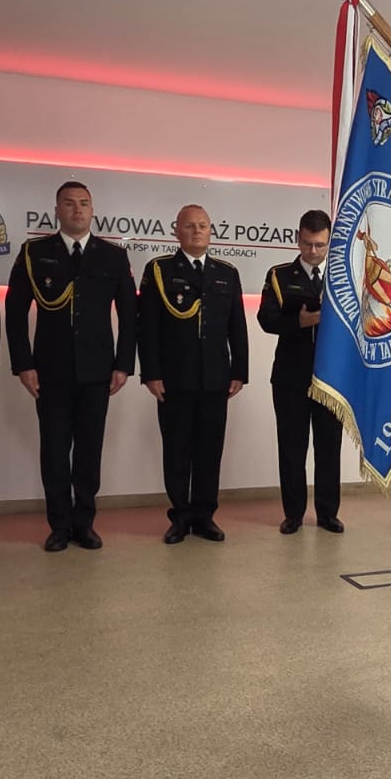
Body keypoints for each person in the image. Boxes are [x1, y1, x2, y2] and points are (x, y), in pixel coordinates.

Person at [5, 181, 136, 551]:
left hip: (98, 370)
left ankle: (85, 523)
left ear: (92, 210)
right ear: (56, 210)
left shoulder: (112, 256)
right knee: (54, 450)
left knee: (89, 451)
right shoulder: (34, 253)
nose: (77, 210)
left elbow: (130, 315)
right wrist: (23, 364)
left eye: (84, 203)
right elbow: (15, 313)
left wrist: (123, 364)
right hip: (50, 370)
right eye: (69, 203)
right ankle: (59, 525)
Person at [138, 204, 248, 543]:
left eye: (202, 225)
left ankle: (204, 516)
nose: (197, 231)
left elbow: (237, 326)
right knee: (177, 450)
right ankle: (180, 516)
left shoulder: (226, 273)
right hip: (174, 379)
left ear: (211, 231)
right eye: (189, 226)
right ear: (176, 231)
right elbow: (148, 326)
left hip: (215, 379)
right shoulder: (159, 270)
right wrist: (151, 373)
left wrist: (239, 371)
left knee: (209, 451)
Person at [257, 209, 343, 535]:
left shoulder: (342, 275)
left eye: (320, 245)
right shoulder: (279, 275)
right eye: (307, 244)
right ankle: (293, 513)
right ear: (297, 238)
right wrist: (299, 321)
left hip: (331, 378)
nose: (314, 251)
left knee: (328, 448)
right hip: (290, 377)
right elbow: (266, 319)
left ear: (329, 241)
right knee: (292, 448)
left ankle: (328, 513)